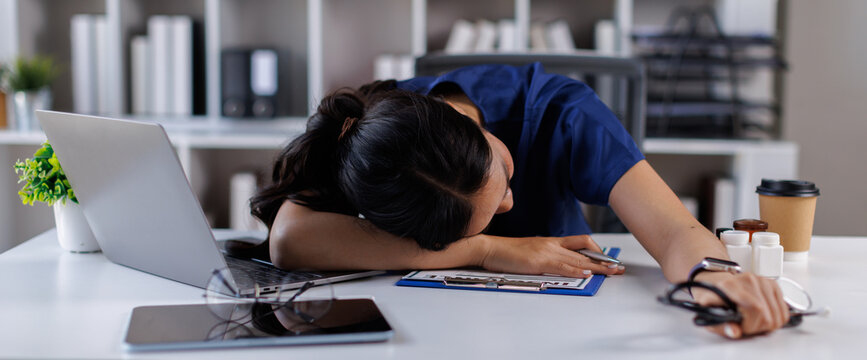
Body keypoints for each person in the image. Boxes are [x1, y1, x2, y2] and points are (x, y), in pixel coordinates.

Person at [249, 63, 790, 339]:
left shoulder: (564, 112)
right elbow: (291, 238)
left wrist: (713, 275)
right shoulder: (379, 145)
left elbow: (673, 231)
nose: (509, 203)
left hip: (560, 333)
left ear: (474, 126)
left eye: (504, 172)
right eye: (471, 224)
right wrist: (484, 252)